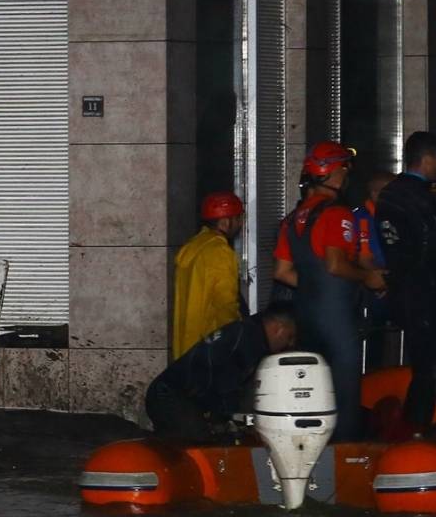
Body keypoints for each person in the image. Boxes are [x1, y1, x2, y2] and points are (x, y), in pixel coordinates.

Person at [272, 142, 386, 442]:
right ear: (333, 174)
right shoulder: (337, 214)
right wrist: (368, 277)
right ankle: (344, 455)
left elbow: (282, 272)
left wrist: (314, 286)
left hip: (306, 315)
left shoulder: (293, 218)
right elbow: (335, 264)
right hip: (336, 317)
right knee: (345, 394)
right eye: (343, 170)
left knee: (313, 391)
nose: (346, 177)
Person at [375, 132, 436, 434]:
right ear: (428, 159)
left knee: (421, 365)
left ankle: (411, 431)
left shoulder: (390, 193)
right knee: (429, 369)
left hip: (400, 287)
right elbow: (435, 241)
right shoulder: (419, 195)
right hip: (420, 290)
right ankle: (415, 433)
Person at [146, 303, 297, 441]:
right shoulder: (249, 340)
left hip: (175, 396)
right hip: (168, 396)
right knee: (197, 446)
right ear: (278, 328)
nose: (289, 343)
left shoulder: (246, 332)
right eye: (289, 336)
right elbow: (227, 384)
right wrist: (230, 418)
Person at [173, 191, 246, 360]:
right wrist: (236, 340)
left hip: (186, 348)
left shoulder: (192, 246)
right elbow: (225, 304)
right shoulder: (220, 252)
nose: (241, 224)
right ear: (226, 222)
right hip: (209, 348)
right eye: (238, 218)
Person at [355, 171, 395, 371]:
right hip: (369, 290)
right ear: (374, 193)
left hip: (390, 285)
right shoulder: (361, 218)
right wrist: (384, 279)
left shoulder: (393, 217)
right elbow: (363, 258)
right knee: (374, 340)